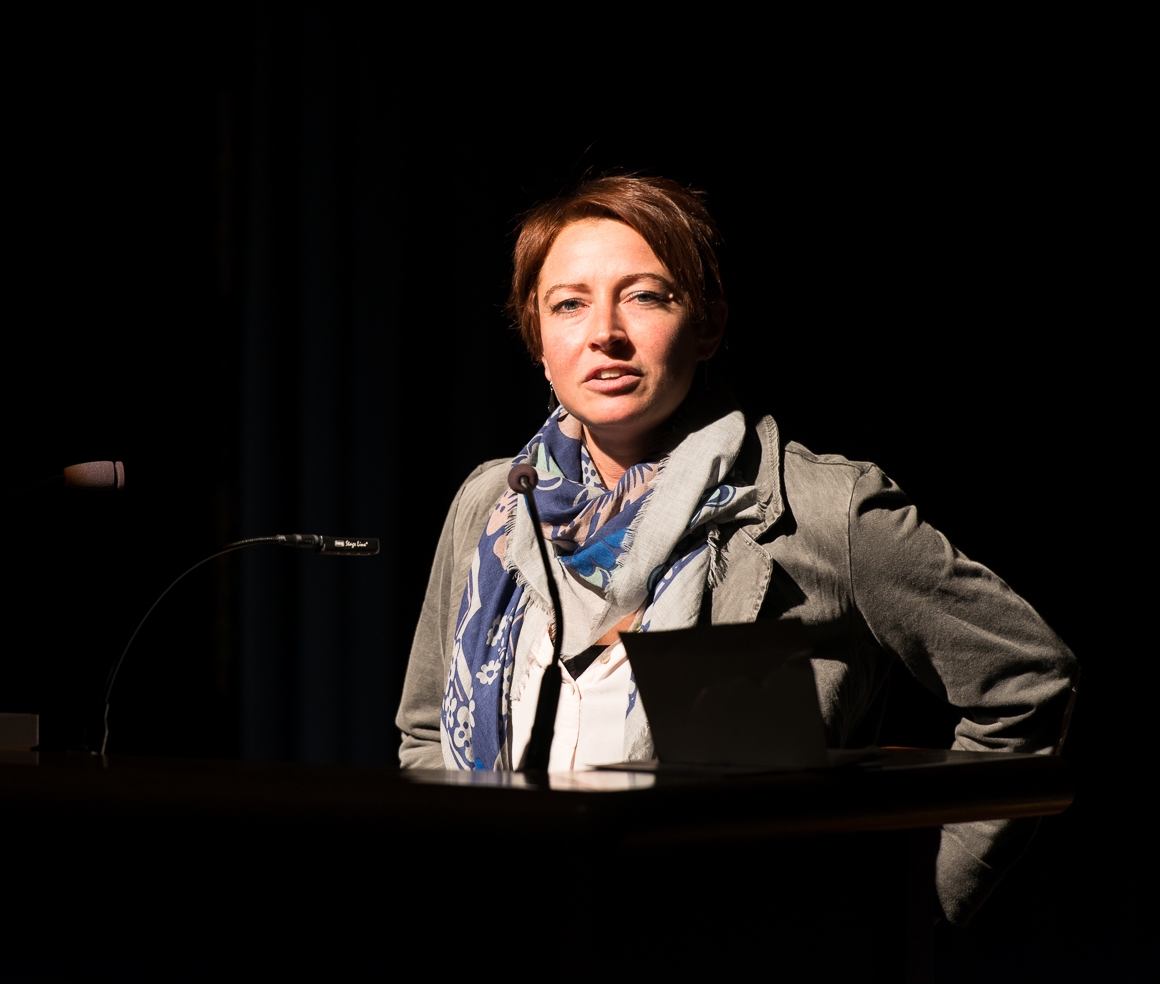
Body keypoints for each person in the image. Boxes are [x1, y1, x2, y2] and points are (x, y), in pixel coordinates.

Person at [394, 175, 1078, 925]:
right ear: (537, 337)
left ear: (709, 324)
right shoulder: (493, 505)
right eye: (569, 303)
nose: (605, 332)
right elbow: (426, 735)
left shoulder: (822, 510)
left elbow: (1025, 679)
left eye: (645, 296)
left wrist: (904, 906)